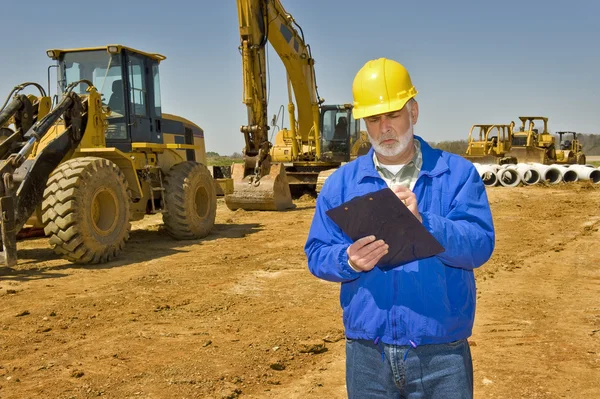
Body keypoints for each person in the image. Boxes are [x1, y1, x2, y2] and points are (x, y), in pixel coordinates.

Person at [304, 58, 495, 398]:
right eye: (374, 119)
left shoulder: (456, 175)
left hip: (442, 354)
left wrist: (426, 223)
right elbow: (317, 253)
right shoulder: (342, 184)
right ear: (364, 124)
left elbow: (480, 244)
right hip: (367, 355)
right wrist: (347, 260)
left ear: (413, 112)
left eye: (393, 114)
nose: (384, 127)